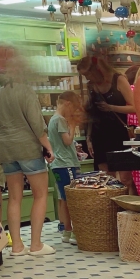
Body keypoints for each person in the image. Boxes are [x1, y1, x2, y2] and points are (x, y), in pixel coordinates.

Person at [0, 68, 55, 257]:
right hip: (28, 148)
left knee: (14, 198)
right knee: (40, 195)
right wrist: (48, 148)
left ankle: (17, 246)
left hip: (6, 149)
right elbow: (37, 125)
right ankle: (36, 245)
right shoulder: (26, 91)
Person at [77, 54, 135, 189]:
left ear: (96, 70)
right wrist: (88, 138)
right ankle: (110, 202)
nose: (87, 78)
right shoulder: (91, 86)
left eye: (87, 74)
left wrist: (111, 108)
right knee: (106, 179)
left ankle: (127, 201)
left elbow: (135, 107)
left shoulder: (118, 80)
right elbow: (91, 114)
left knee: (126, 179)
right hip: (99, 136)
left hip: (118, 134)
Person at [47, 90, 85, 246]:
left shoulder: (52, 120)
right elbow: (67, 141)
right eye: (73, 108)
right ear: (68, 104)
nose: (72, 112)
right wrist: (73, 125)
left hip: (58, 164)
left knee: (63, 197)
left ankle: (67, 230)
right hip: (66, 164)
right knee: (72, 197)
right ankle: (75, 231)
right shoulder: (60, 120)